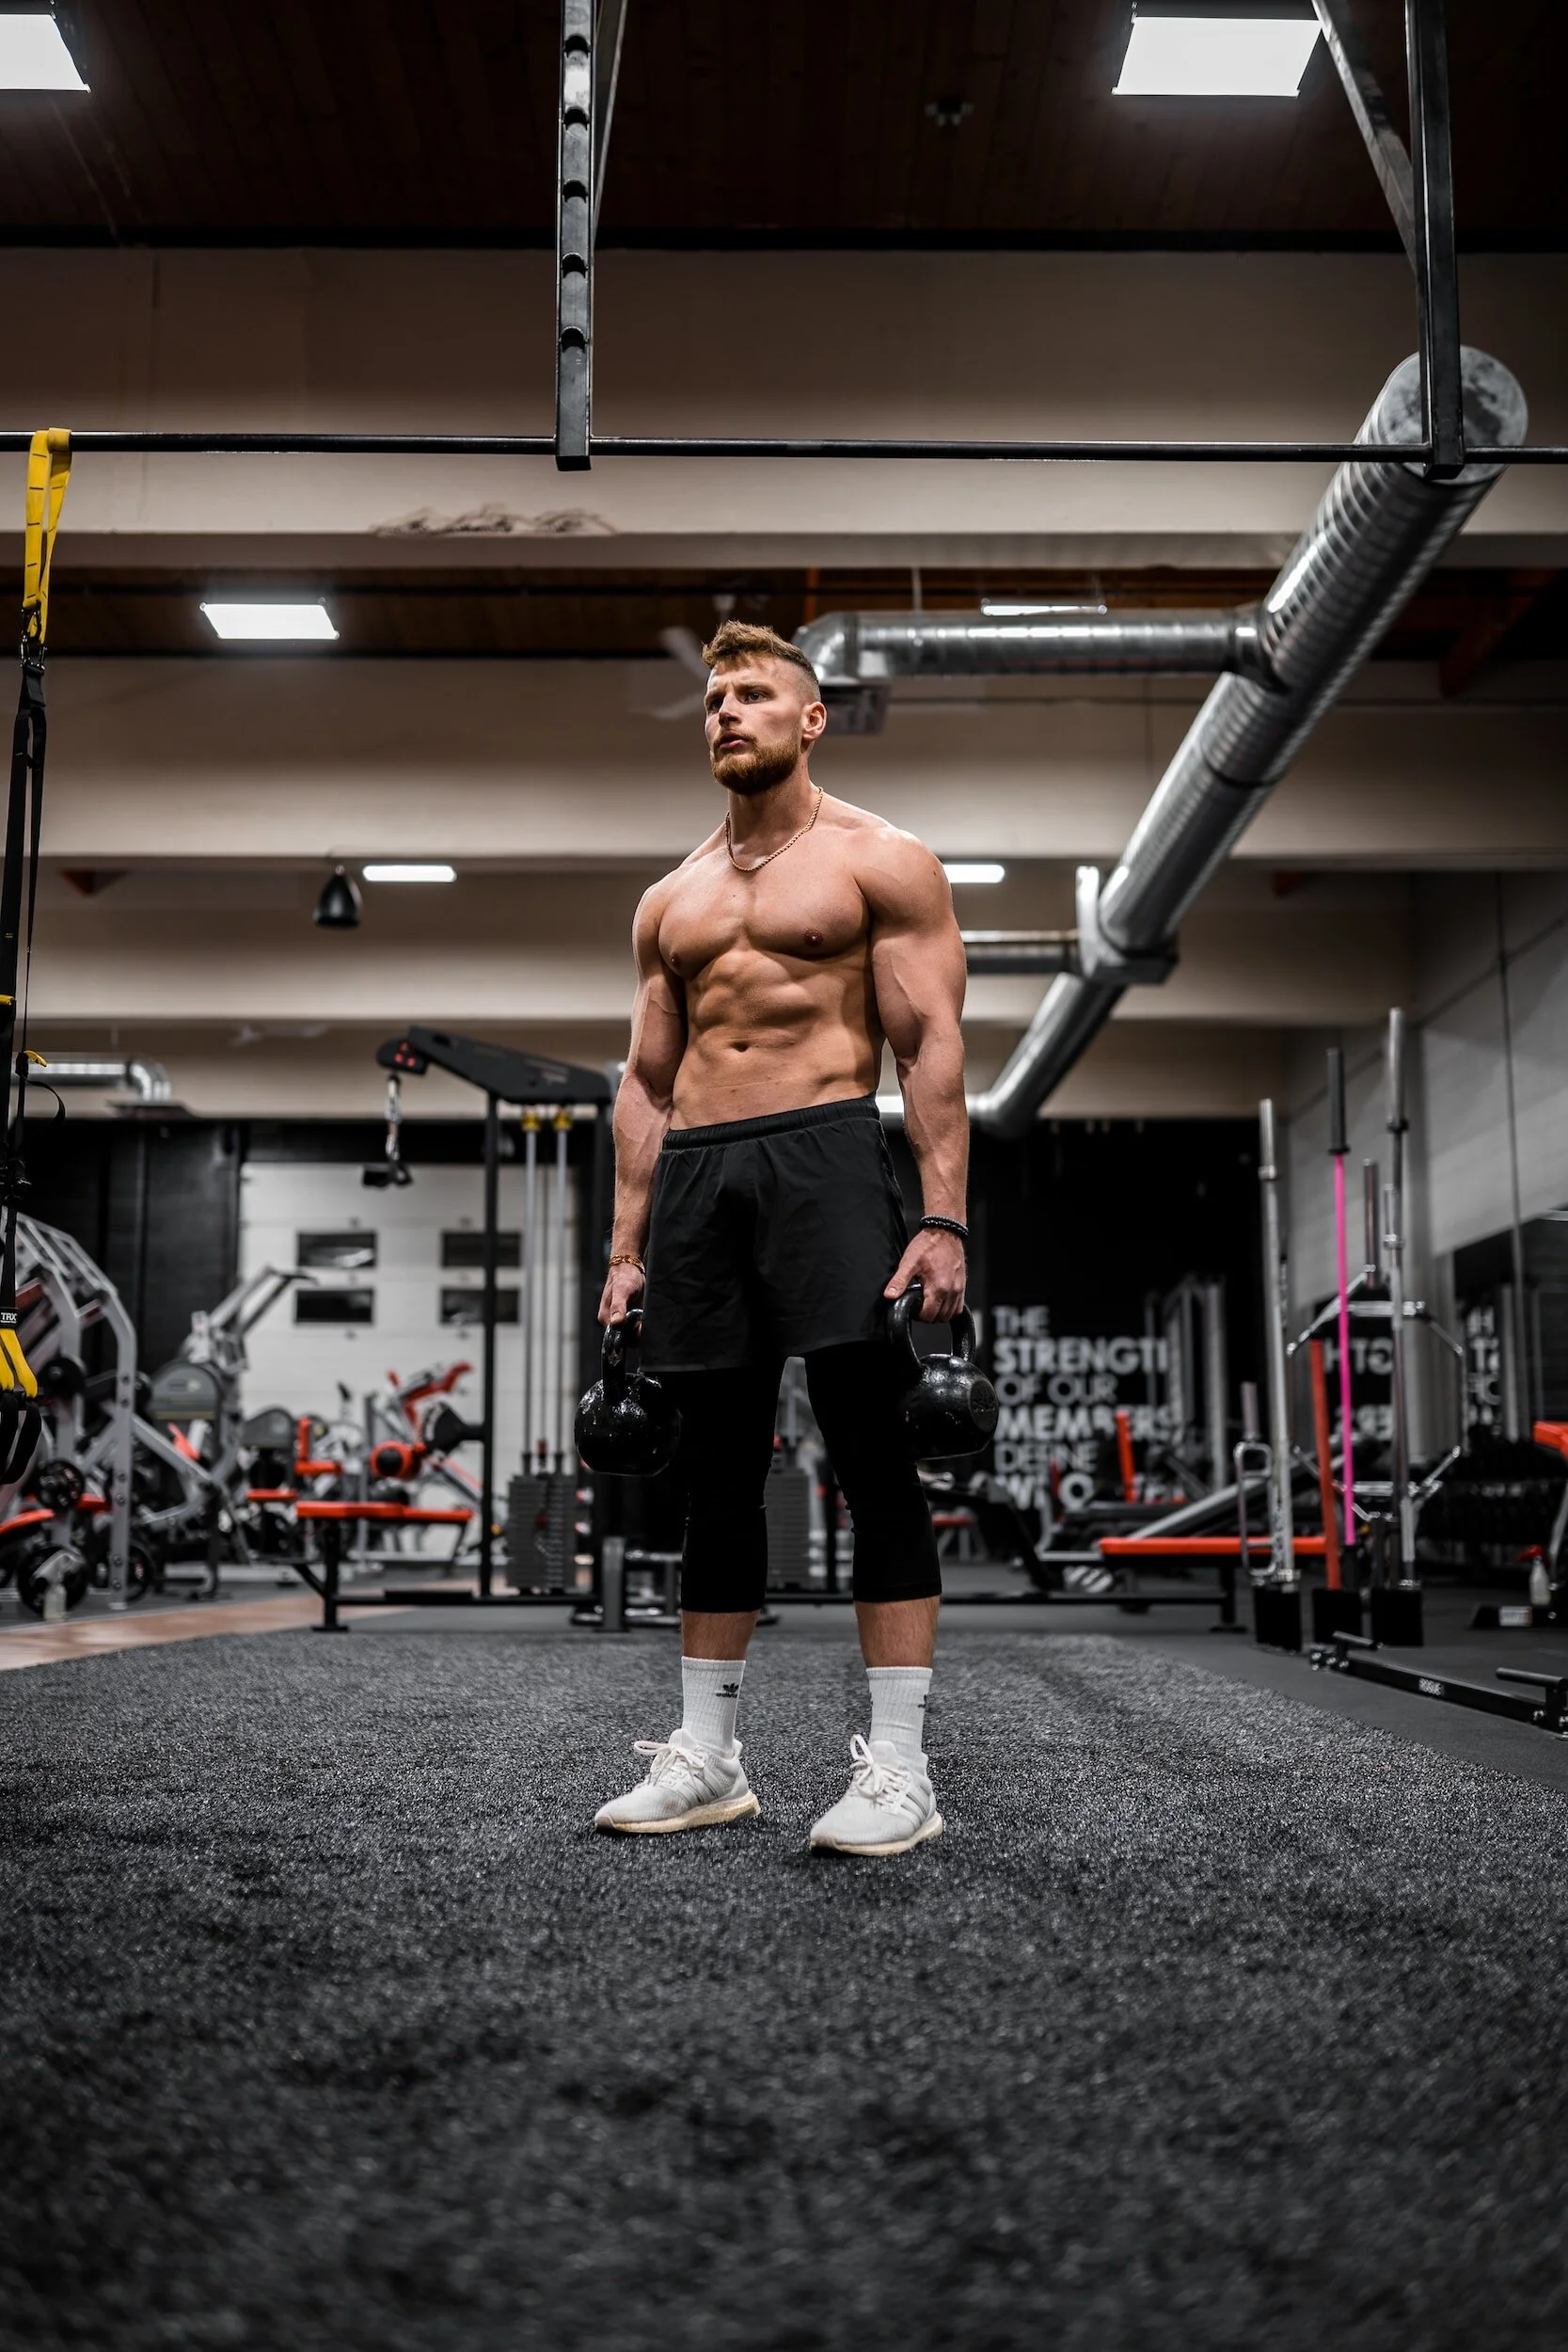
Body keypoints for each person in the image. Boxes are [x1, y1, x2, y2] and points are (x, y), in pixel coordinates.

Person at [592, 619, 969, 1857]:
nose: (725, 713)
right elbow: (646, 1084)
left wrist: (942, 1218)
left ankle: (900, 1769)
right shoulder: (671, 899)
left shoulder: (881, 860)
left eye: (752, 694)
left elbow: (928, 1046)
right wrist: (627, 1249)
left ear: (812, 720)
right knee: (713, 1475)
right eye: (714, 699)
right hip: (700, 1176)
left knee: (871, 1455)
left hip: (826, 1154)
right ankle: (706, 1757)